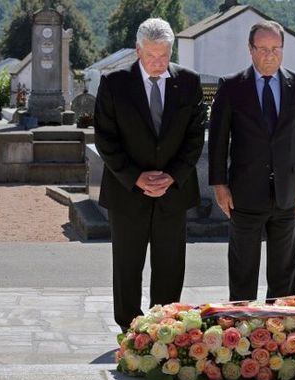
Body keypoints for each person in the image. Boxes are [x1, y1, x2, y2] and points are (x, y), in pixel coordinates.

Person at [94, 18, 205, 332]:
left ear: (172, 51)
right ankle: (131, 332)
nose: (158, 64)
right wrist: (136, 177)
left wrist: (171, 176)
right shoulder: (114, 83)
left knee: (170, 266)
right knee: (127, 266)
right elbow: (105, 138)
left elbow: (195, 137)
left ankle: (165, 328)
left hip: (173, 191)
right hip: (127, 192)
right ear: (137, 51)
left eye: (164, 56)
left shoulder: (189, 82)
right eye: (151, 56)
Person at [208, 20, 295, 302]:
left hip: (288, 194)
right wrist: (219, 185)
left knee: (283, 274)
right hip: (244, 194)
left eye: (276, 48)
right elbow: (219, 140)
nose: (270, 55)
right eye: (263, 48)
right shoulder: (232, 86)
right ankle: (241, 334)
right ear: (250, 49)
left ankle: (280, 333)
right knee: (242, 271)